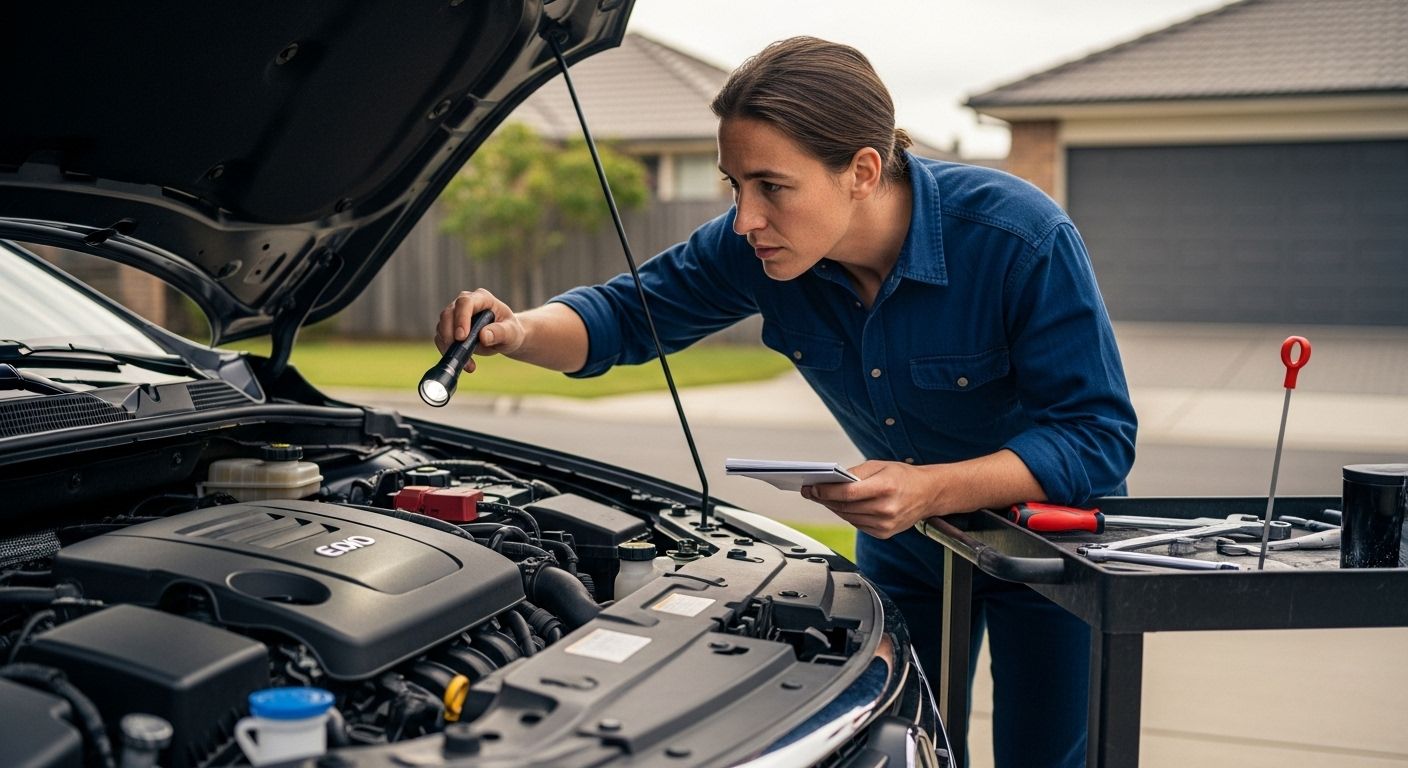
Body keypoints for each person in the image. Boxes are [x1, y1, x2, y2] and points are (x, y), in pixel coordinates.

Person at [435, 36, 1136, 768]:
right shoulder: (755, 251)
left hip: (1048, 547)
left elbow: (1096, 436)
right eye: (733, 185)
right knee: (892, 748)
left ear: (862, 171)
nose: (745, 218)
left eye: (771, 186)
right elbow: (618, 319)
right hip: (906, 548)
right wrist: (517, 331)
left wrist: (933, 488)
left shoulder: (1018, 238)